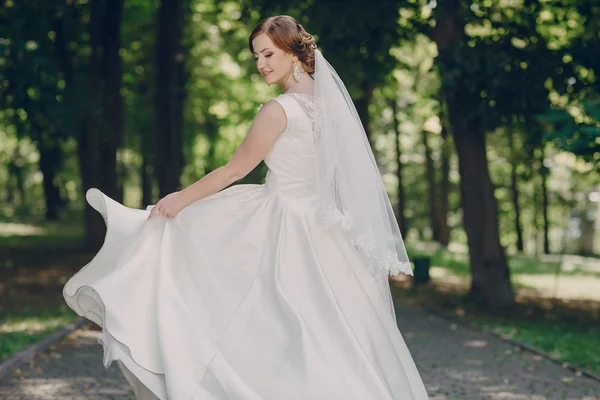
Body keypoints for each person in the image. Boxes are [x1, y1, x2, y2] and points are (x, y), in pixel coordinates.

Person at [63, 15, 429, 400]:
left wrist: (180, 199)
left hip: (285, 222)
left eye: (268, 54)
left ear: (293, 51)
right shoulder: (332, 105)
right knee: (327, 330)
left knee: (258, 315)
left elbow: (236, 168)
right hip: (324, 230)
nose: (261, 64)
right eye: (257, 56)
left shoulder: (280, 109)